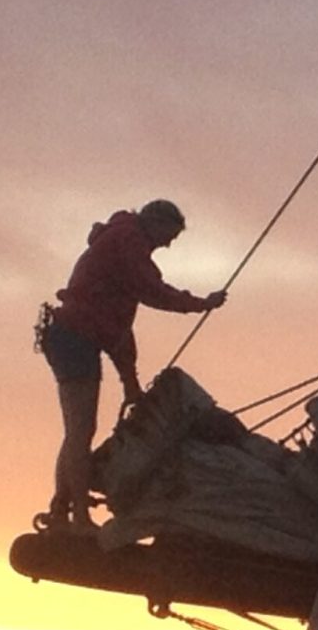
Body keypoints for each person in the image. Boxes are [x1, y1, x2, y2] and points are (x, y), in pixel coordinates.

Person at [37, 198, 226, 532]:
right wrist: (200, 304)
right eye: (169, 236)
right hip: (73, 338)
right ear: (155, 223)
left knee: (78, 431)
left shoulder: (122, 240)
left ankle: (62, 508)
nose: (167, 244)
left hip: (74, 337)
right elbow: (153, 292)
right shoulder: (129, 243)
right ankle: (76, 518)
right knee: (80, 430)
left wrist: (131, 383)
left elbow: (120, 330)